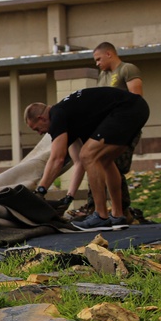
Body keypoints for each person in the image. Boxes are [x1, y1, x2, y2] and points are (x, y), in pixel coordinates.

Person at [25, 85, 149, 229]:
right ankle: (118, 215)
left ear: (41, 118)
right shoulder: (73, 117)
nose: (40, 133)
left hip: (127, 109)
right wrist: (69, 197)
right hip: (137, 109)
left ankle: (101, 215)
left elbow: (57, 159)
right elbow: (79, 163)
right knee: (105, 161)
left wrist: (40, 191)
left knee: (89, 155)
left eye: (37, 128)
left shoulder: (57, 114)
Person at [67, 43, 145, 220]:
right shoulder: (103, 76)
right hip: (108, 128)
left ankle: (122, 210)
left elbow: (137, 101)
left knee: (115, 166)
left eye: (98, 59)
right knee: (97, 162)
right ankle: (97, 207)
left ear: (109, 54)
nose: (97, 63)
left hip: (125, 127)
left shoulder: (127, 69)